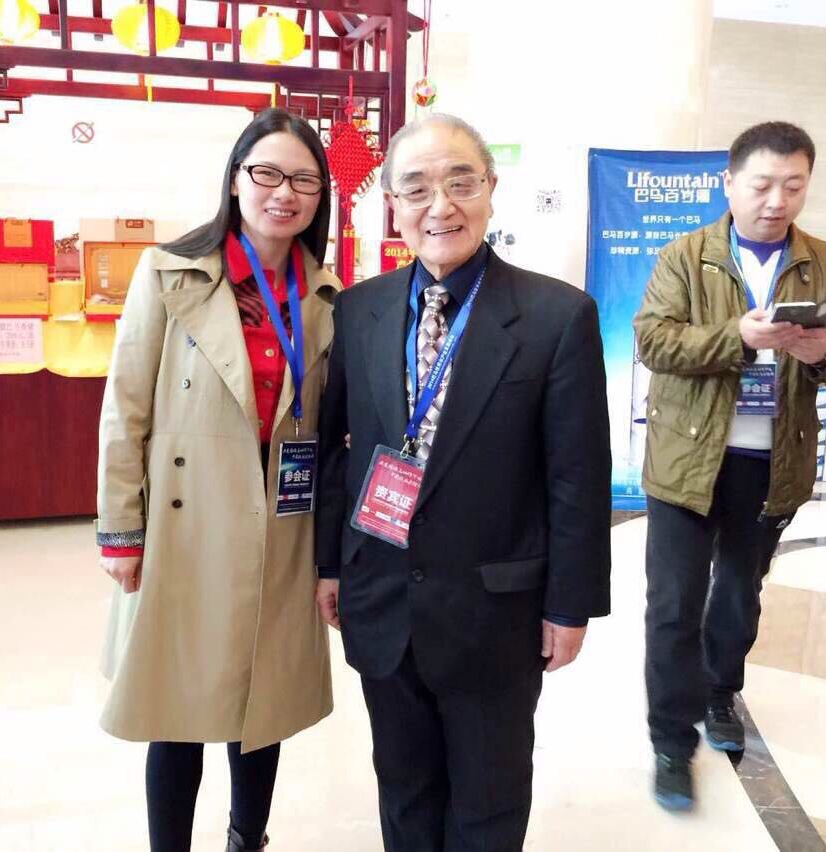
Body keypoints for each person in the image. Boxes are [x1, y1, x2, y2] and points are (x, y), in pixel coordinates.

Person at [314, 114, 612, 852]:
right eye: (416, 188)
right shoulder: (359, 309)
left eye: (460, 183)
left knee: (488, 802)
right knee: (404, 790)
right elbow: (336, 451)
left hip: (496, 612)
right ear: (392, 204)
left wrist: (570, 604)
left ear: (490, 190)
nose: (439, 206)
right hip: (383, 599)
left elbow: (578, 475)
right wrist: (330, 565)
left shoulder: (556, 316)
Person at [95, 107, 341, 852]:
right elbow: (125, 408)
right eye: (267, 173)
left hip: (283, 523)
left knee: (261, 706)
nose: (284, 193)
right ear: (236, 181)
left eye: (304, 180)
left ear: (321, 195)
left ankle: (246, 838)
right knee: (175, 709)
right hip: (187, 525)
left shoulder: (328, 296)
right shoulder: (169, 274)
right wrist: (121, 530)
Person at [633, 121, 826, 811]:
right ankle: (671, 742)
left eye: (793, 186)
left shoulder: (824, 261)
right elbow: (653, 341)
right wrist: (735, 336)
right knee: (673, 605)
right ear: (729, 183)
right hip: (686, 462)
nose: (777, 200)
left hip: (771, 463)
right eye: (763, 184)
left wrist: (824, 353)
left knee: (739, 594)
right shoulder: (686, 255)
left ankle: (719, 693)